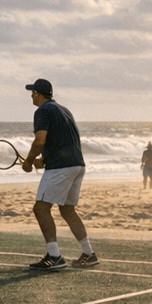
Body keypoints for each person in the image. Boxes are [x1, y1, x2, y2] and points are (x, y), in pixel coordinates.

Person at [21, 78, 98, 270]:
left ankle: (54, 256)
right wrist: (44, 161)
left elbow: (40, 141)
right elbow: (64, 141)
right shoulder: (64, 110)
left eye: (33, 92)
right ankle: (89, 254)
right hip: (77, 164)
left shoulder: (42, 111)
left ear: (38, 94)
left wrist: (29, 162)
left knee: (40, 209)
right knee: (67, 210)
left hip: (61, 167)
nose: (31, 95)